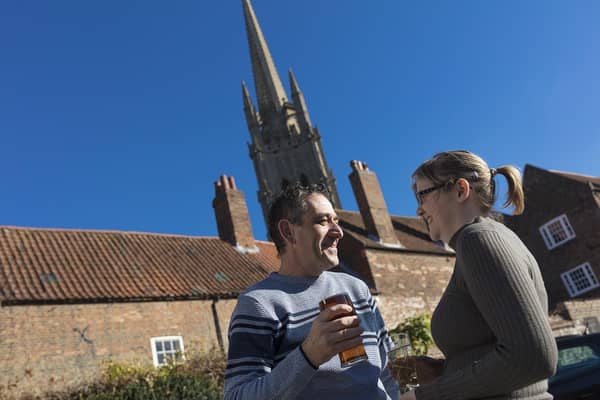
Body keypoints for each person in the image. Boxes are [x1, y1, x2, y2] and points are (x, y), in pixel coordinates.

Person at [402, 150, 558, 400]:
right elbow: (500, 349)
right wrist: (444, 369)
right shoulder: (484, 239)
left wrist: (423, 396)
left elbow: (533, 357)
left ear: (461, 190)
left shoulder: (478, 240)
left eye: (422, 195)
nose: (419, 210)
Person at [224, 183, 400, 400]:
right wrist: (308, 355)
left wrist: (409, 389)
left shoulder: (357, 288)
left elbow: (390, 364)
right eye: (323, 221)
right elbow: (237, 395)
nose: (338, 232)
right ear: (288, 232)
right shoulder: (259, 304)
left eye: (337, 221)